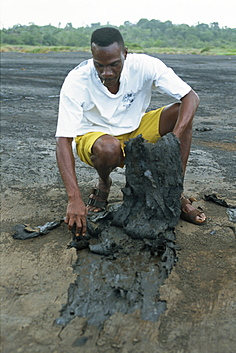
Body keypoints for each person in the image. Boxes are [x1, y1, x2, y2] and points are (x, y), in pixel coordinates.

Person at [56, 27, 206, 236]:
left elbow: (191, 97)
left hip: (136, 129)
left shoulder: (145, 65)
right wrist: (74, 198)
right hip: (95, 136)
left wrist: (174, 139)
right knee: (109, 148)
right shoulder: (76, 80)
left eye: (114, 65)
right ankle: (104, 183)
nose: (106, 73)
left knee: (183, 113)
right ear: (92, 57)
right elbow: (63, 140)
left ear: (125, 54)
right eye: (99, 65)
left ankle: (174, 194)